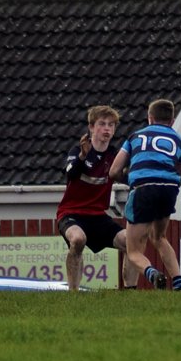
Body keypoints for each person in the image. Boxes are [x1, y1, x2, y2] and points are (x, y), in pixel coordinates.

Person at [55, 104, 137, 291]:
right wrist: (83, 157)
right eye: (102, 124)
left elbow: (127, 177)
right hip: (71, 214)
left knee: (130, 242)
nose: (107, 128)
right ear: (91, 127)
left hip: (98, 216)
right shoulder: (78, 151)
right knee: (78, 239)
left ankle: (131, 293)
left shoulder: (115, 156)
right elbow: (70, 173)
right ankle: (73, 293)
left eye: (111, 125)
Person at [109, 98, 181, 291]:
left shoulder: (135, 137)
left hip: (143, 189)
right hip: (168, 189)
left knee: (133, 250)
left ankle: (152, 273)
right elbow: (180, 174)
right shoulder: (179, 140)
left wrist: (130, 180)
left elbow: (114, 171)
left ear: (150, 118)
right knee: (159, 237)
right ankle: (179, 282)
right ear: (172, 121)